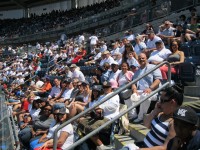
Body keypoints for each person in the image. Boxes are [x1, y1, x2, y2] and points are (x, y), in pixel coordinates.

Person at [121, 86, 184, 150]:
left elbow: (165, 148)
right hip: (143, 145)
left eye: (162, 100)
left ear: (172, 102)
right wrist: (154, 111)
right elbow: (146, 125)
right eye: (159, 100)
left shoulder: (174, 123)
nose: (159, 103)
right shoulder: (161, 114)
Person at [78, 82, 120, 150]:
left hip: (108, 117)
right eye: (104, 87)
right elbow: (95, 104)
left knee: (91, 128)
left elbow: (114, 106)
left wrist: (101, 108)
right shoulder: (102, 96)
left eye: (107, 87)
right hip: (98, 116)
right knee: (81, 122)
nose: (105, 89)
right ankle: (88, 141)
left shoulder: (114, 95)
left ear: (111, 88)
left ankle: (101, 146)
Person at [131, 53, 162, 123]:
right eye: (139, 59)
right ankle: (133, 115)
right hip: (140, 91)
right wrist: (134, 89)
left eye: (143, 58)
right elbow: (133, 82)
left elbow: (158, 80)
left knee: (145, 96)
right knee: (128, 95)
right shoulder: (137, 71)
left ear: (146, 58)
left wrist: (150, 88)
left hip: (152, 91)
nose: (141, 60)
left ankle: (141, 117)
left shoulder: (153, 67)